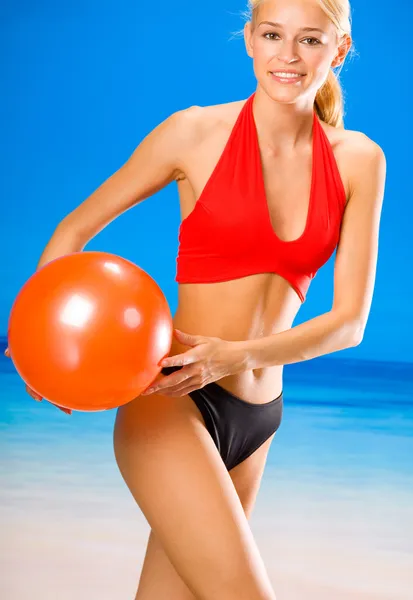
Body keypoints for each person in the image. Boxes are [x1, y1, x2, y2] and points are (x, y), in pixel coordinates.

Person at [6, 0, 387, 598]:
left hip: (258, 417)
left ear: (337, 51)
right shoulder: (194, 132)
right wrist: (39, 345)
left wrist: (231, 358)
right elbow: (73, 232)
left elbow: (349, 324)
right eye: (271, 34)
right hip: (170, 401)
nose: (287, 56)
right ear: (249, 40)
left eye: (310, 40)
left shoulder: (360, 160)